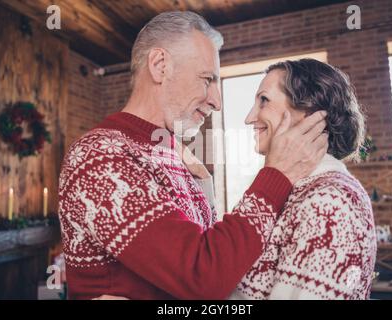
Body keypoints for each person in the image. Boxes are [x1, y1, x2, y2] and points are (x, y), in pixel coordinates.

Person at [58, 11, 328, 299]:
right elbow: (204, 278)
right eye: (207, 79)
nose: (217, 101)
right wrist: (277, 174)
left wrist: (206, 193)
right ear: (160, 65)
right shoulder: (99, 157)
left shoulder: (174, 156)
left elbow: (218, 265)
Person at [230, 59, 377, 300]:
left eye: (264, 100)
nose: (249, 118)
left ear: (310, 113)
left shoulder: (329, 202)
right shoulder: (293, 191)